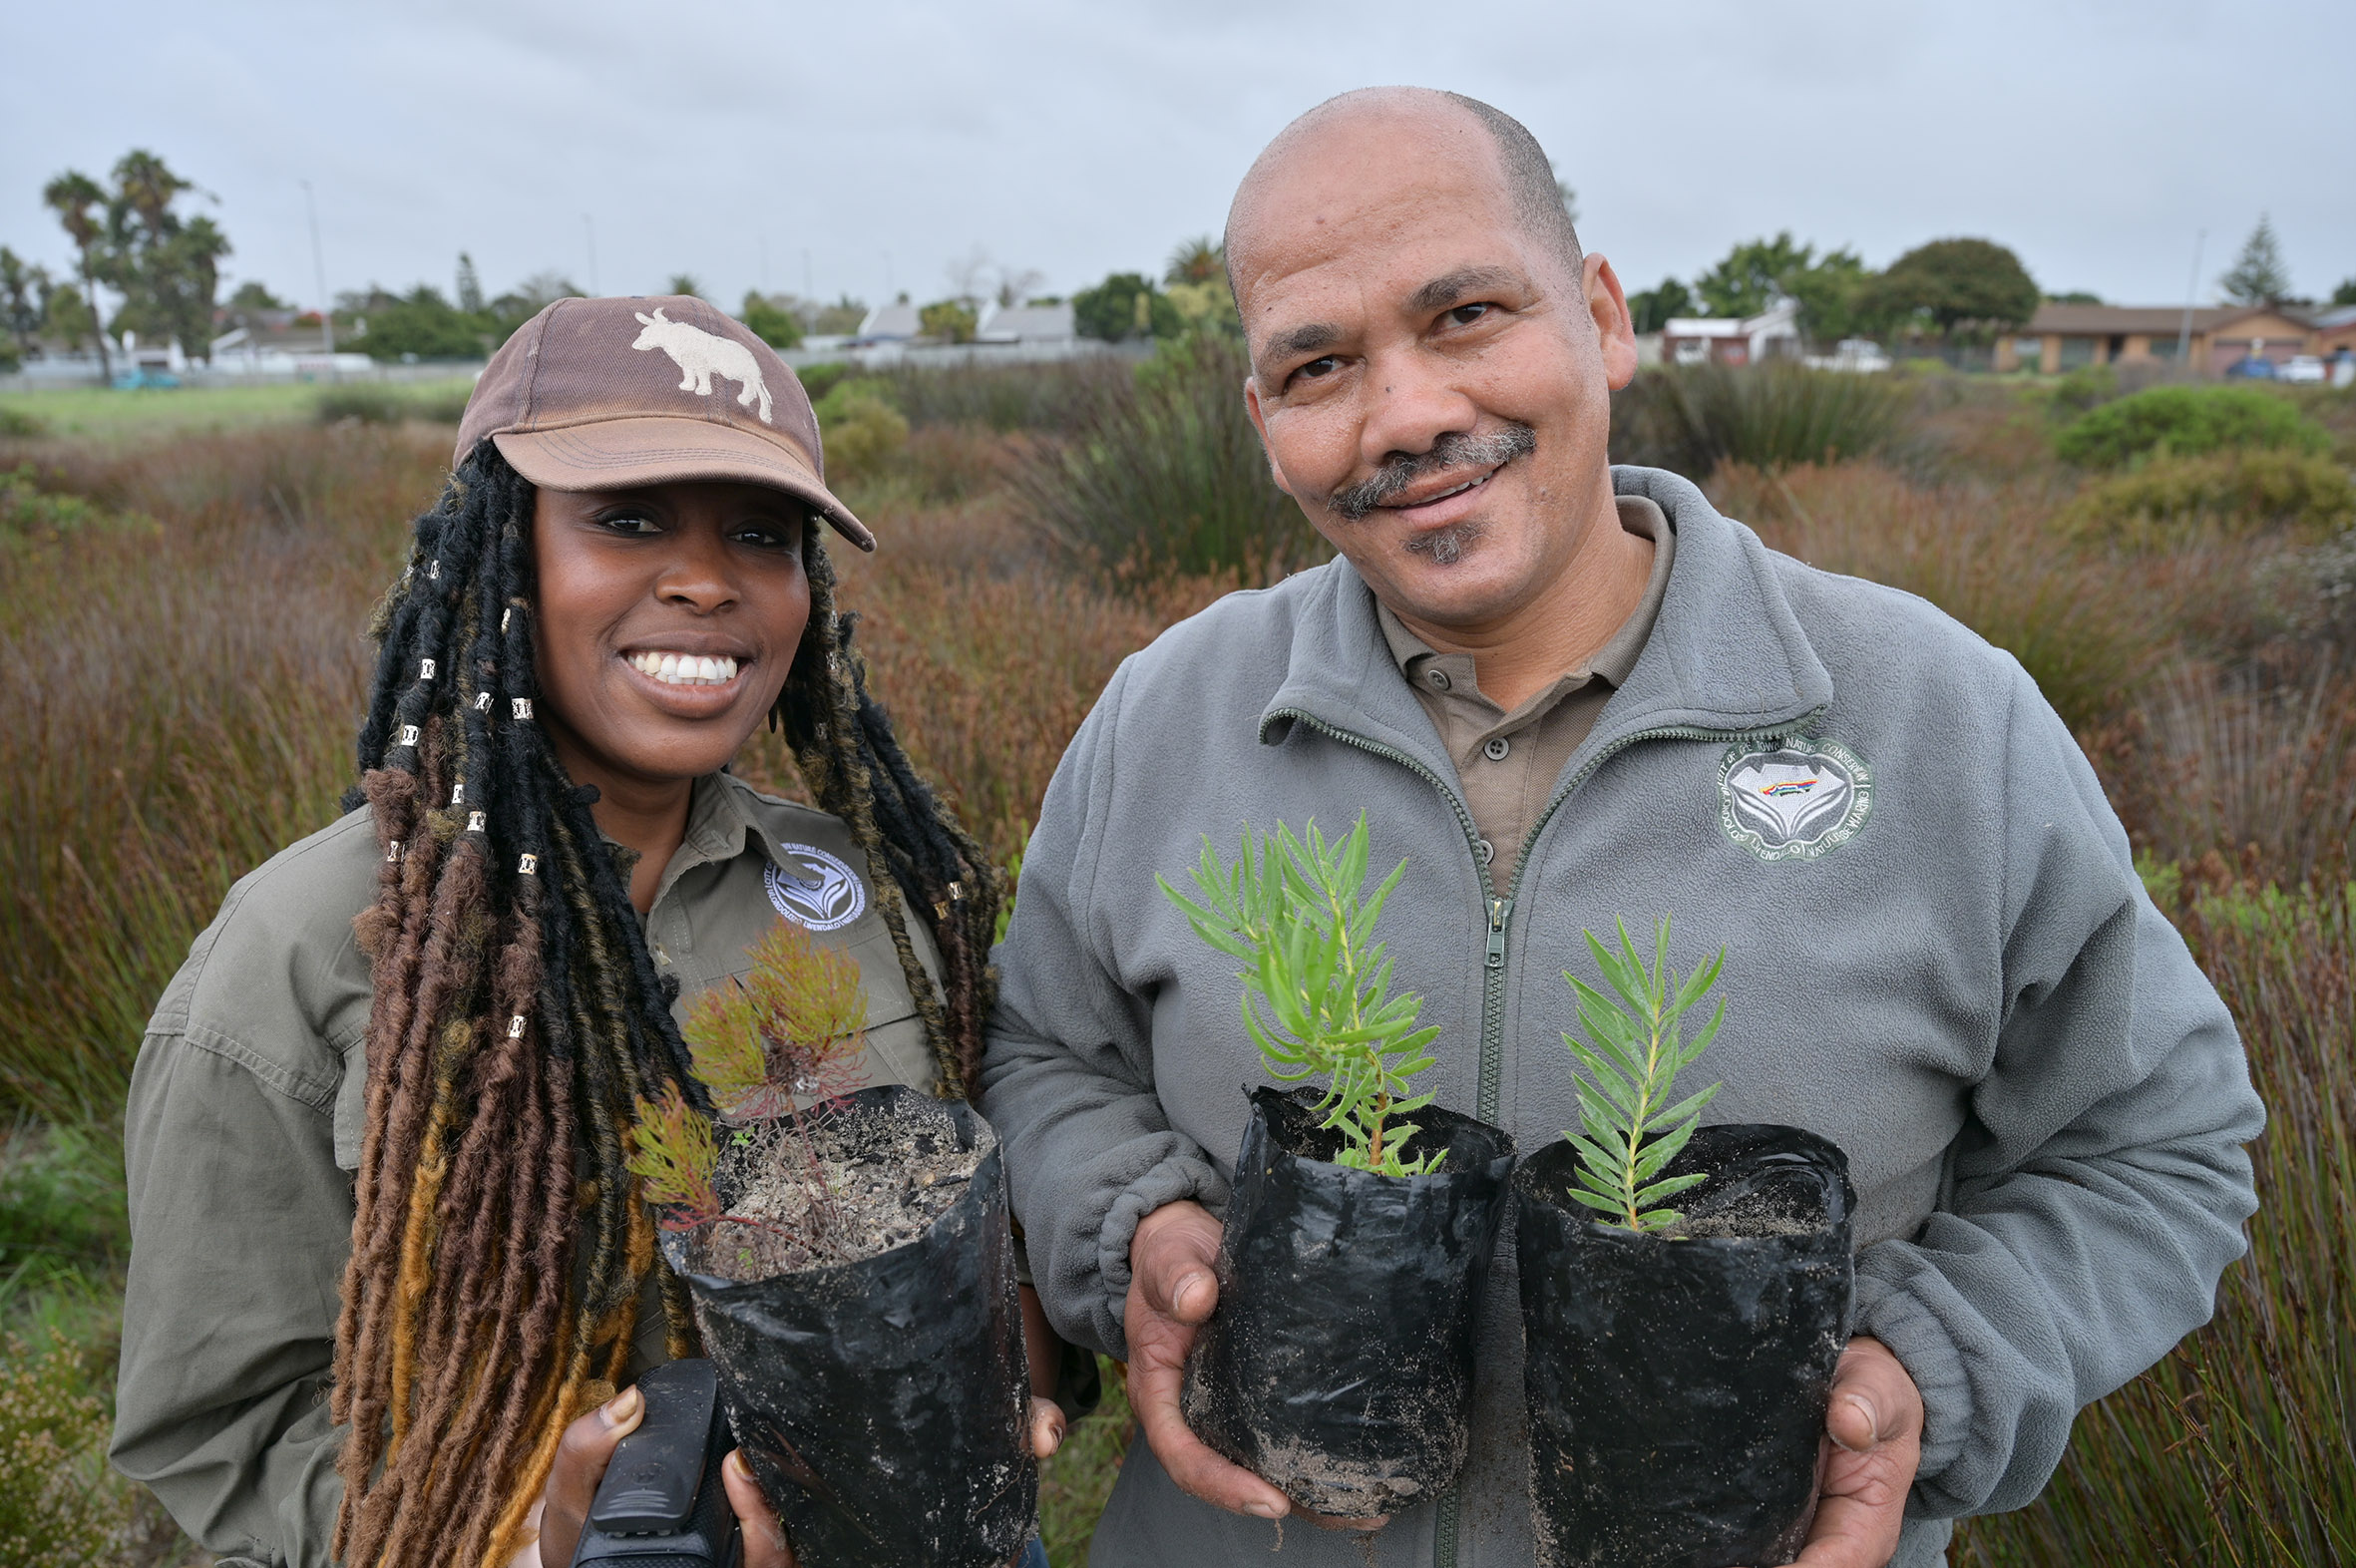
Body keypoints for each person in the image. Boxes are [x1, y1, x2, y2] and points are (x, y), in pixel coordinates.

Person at [981, 89, 2264, 1568]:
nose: (1404, 413)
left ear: (1600, 318)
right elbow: (1044, 1054)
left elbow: (2156, 1148)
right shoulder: (1165, 716)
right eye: (1319, 364)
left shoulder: (1936, 719)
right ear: (1264, 422)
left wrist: (1934, 1366)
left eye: (1464, 313)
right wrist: (1128, 1228)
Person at [112, 296, 1070, 1568]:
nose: (706, 580)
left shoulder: (869, 891)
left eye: (761, 536)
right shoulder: (303, 951)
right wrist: (515, 1546)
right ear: (498, 558)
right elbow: (222, 1425)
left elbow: (991, 1220)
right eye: (625, 520)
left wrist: (1002, 1374)